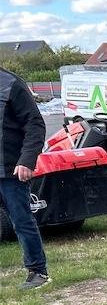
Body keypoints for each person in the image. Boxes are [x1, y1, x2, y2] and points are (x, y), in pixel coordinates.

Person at [0, 66, 49, 289]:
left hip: (10, 169)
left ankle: (38, 272)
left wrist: (27, 160)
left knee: (21, 221)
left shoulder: (11, 84)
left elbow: (35, 123)